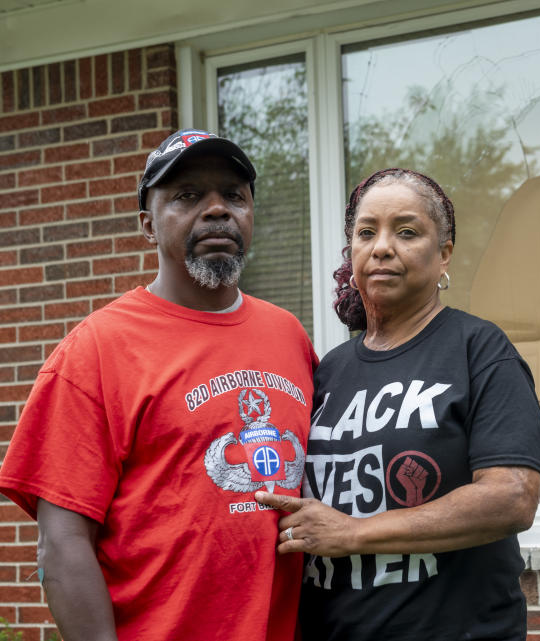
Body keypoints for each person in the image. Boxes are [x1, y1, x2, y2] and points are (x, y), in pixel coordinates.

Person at [0, 129, 317, 641]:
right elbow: (61, 542)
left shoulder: (288, 335)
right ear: (148, 225)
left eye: (234, 195)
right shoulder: (98, 349)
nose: (218, 210)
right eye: (189, 195)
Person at [256, 168, 540, 641]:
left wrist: (354, 533)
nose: (381, 247)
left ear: (444, 255)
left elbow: (512, 497)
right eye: (366, 232)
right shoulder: (328, 370)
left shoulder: (477, 350)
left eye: (407, 232)